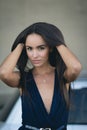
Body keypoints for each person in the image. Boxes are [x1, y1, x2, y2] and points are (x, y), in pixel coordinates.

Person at [0, 22, 82, 130]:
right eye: (29, 48)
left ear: (51, 48)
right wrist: (21, 43)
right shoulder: (23, 79)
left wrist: (56, 41)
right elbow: (3, 73)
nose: (34, 55)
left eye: (41, 48)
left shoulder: (63, 77)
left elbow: (76, 67)